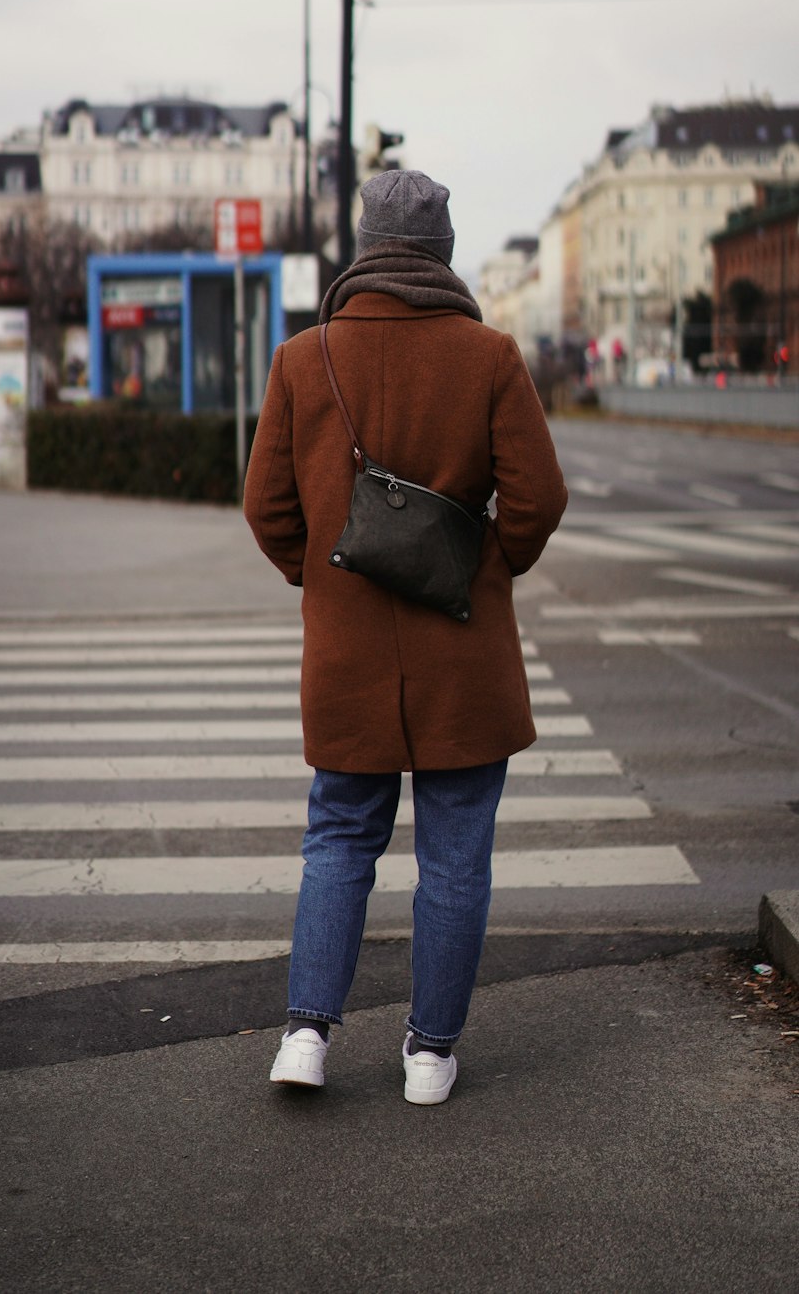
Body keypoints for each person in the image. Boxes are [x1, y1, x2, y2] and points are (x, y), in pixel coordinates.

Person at [243, 169, 567, 1105]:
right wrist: (486, 563)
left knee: (339, 837)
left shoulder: (305, 359)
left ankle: (305, 1034)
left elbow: (267, 509)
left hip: (346, 654)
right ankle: (429, 1053)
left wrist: (326, 582)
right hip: (463, 651)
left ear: (363, 247)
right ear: (444, 253)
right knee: (457, 854)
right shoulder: (491, 355)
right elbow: (540, 497)